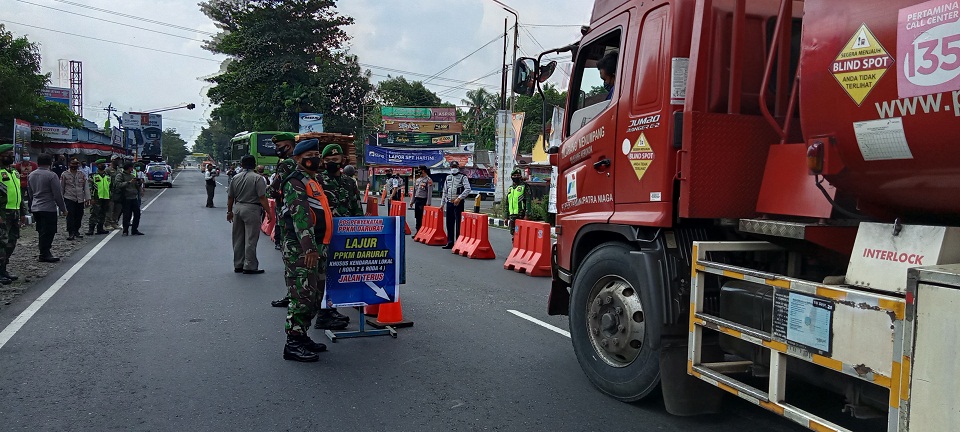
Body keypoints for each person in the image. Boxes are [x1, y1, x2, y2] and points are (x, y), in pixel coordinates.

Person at [281, 138, 333, 362]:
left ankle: (302, 336)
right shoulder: (295, 182)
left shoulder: (312, 180)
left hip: (318, 247)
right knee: (302, 295)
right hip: (302, 250)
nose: (315, 158)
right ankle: (292, 342)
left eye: (316, 154)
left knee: (315, 295)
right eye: (309, 155)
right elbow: (300, 217)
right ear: (297, 159)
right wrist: (309, 248)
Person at [315, 142, 361, 329]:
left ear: (343, 160)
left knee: (337, 273)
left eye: (337, 159)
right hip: (324, 235)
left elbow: (356, 207)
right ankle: (322, 314)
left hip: (345, 235)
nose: (334, 162)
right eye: (330, 160)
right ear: (324, 162)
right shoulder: (317, 180)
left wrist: (359, 230)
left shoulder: (349, 182)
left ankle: (331, 309)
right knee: (323, 275)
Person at [228, 155, 272, 274]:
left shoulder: (235, 177)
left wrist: (229, 211)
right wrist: (269, 212)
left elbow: (230, 197)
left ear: (241, 165)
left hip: (238, 208)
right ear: (255, 165)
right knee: (251, 238)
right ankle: (250, 266)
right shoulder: (258, 178)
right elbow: (262, 197)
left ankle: (238, 264)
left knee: (238, 238)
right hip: (252, 209)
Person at [268, 132, 298, 307]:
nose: (276, 150)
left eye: (279, 147)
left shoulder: (287, 164)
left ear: (288, 146)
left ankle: (293, 296)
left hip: (288, 217)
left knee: (290, 260)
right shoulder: (298, 163)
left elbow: (273, 190)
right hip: (298, 216)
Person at [28, 153, 67, 262]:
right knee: (49, 231)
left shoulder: (31, 175)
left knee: (41, 230)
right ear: (50, 163)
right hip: (48, 207)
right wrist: (63, 209)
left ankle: (43, 252)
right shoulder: (52, 175)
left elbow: (30, 192)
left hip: (36, 207)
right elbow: (57, 195)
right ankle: (45, 253)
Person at [0, 144, 27, 283]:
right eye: (8, 154)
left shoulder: (14, 172)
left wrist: (23, 212)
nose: (11, 156)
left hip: (15, 212)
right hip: (3, 213)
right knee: (1, 242)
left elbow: (19, 194)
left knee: (12, 242)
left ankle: (3, 268)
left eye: (11, 153)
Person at [441, 161, 471, 249]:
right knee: (449, 223)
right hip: (449, 202)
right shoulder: (448, 177)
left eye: (455, 166)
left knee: (459, 223)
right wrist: (442, 204)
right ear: (450, 167)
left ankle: (458, 242)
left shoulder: (463, 177)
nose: (454, 168)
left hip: (458, 202)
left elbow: (468, 189)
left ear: (458, 167)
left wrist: (460, 198)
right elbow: (444, 191)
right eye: (452, 166)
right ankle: (450, 242)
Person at [60, 158, 90, 241]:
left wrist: (88, 198)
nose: (74, 166)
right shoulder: (64, 174)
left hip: (80, 198)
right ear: (69, 164)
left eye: (76, 164)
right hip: (69, 197)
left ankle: (77, 231)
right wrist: (60, 199)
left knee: (79, 215)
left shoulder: (82, 174)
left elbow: (86, 187)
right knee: (70, 216)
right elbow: (61, 187)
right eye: (73, 164)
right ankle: (71, 232)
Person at [115, 162, 144, 236]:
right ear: (128, 168)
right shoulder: (120, 175)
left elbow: (136, 186)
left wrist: (139, 184)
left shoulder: (132, 176)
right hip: (125, 198)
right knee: (127, 215)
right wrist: (129, 182)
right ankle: (125, 230)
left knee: (137, 214)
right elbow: (118, 185)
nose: (132, 169)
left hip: (134, 197)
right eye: (131, 168)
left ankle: (134, 229)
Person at [86, 159, 111, 235]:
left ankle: (100, 228)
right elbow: (90, 188)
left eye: (103, 164)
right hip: (96, 197)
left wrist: (110, 197)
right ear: (97, 166)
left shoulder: (108, 176)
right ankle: (91, 229)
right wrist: (91, 198)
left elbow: (110, 187)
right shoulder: (93, 176)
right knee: (94, 213)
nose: (102, 165)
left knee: (103, 214)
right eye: (100, 164)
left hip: (106, 197)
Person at [507, 168, 530, 237]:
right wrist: (506, 216)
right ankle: (514, 246)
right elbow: (507, 203)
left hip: (521, 214)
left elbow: (528, 201)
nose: (516, 177)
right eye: (515, 175)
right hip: (512, 215)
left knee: (521, 234)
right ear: (511, 177)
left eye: (518, 175)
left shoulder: (524, 186)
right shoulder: (510, 188)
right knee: (513, 234)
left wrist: (527, 214)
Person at [412, 166, 433, 232]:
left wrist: (428, 203)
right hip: (417, 200)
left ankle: (422, 231)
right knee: (417, 216)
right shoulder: (418, 180)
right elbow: (414, 191)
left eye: (419, 170)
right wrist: (412, 201)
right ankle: (417, 231)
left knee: (422, 217)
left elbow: (429, 192)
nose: (418, 171)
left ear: (423, 170)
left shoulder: (428, 180)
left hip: (423, 200)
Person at [106, 156, 122, 230]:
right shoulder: (108, 170)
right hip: (111, 191)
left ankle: (114, 222)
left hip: (119, 192)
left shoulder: (119, 170)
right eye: (116, 160)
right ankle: (108, 223)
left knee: (118, 208)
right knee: (110, 208)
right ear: (112, 160)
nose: (118, 161)